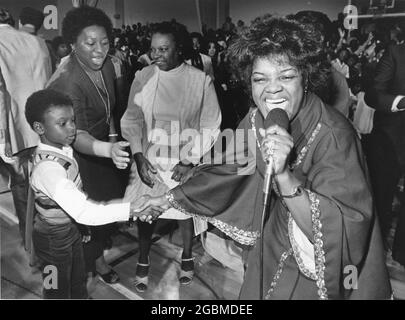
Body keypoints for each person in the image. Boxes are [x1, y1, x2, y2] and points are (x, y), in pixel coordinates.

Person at [139, 17, 392, 299]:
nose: (272, 89)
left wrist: (283, 176)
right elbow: (230, 169)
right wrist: (168, 199)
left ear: (306, 77)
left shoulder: (335, 136)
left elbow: (342, 233)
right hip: (273, 242)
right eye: (260, 78)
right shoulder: (257, 118)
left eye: (286, 76)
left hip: (323, 268)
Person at [25, 89, 162, 299]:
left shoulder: (61, 146)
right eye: (63, 123)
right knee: (55, 289)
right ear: (39, 127)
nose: (72, 128)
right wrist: (131, 208)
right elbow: (84, 211)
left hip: (70, 229)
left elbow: (77, 207)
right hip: (53, 239)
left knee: (78, 279)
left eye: (73, 120)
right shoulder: (49, 170)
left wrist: (81, 227)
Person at [121, 21, 221, 292]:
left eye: (164, 49)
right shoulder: (143, 76)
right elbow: (131, 118)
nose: (157, 56)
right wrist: (138, 155)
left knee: (184, 211)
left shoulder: (199, 80)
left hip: (182, 157)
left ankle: (187, 255)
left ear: (179, 49)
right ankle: (143, 260)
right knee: (145, 211)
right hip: (150, 156)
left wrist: (189, 160)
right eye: (153, 49)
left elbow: (211, 124)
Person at [47, 6, 130, 285]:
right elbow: (77, 134)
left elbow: (109, 109)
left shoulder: (106, 63)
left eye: (105, 42)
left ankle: (98, 247)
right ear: (72, 43)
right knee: (87, 213)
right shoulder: (67, 80)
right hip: (71, 151)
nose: (99, 50)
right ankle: (95, 264)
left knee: (106, 201)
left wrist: (112, 138)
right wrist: (108, 149)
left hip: (98, 145)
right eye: (90, 43)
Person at [0, 8, 52, 242]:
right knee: (46, 183)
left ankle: (30, 241)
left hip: (15, 129)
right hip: (44, 125)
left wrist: (4, 137)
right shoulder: (40, 43)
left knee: (21, 186)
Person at [364, 41, 405, 267]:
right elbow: (373, 94)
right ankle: (374, 253)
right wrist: (400, 102)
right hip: (390, 140)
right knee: (382, 197)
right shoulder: (397, 52)